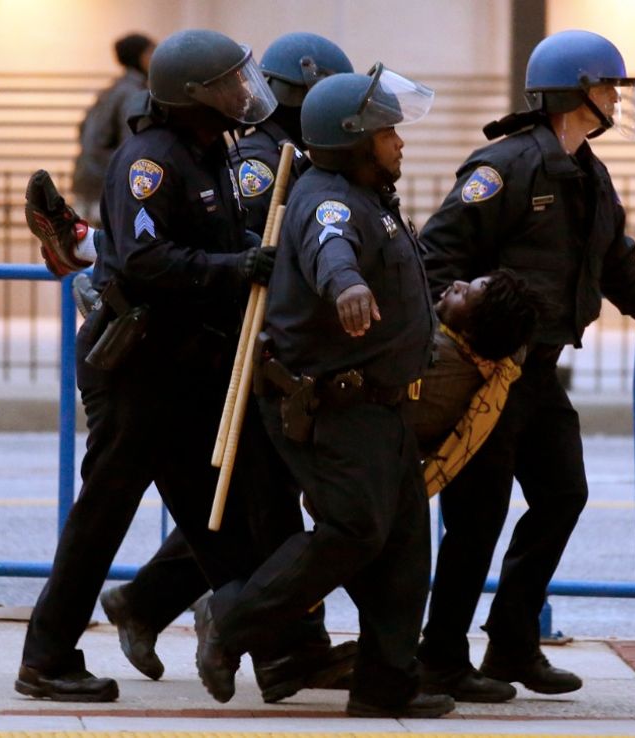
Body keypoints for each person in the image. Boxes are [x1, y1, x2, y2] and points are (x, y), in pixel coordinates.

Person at [24, 32, 359, 705]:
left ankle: (285, 654)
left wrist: (249, 252)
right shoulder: (150, 161)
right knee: (102, 517)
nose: (244, 95)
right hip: (138, 369)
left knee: (227, 519)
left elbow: (216, 238)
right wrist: (235, 267)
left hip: (187, 368)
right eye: (229, 85)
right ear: (191, 96)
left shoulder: (214, 153)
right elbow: (147, 262)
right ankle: (47, 659)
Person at [415, 29, 635, 700]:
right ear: (574, 91)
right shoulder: (503, 167)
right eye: (607, 87)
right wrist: (469, 331)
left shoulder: (587, 169)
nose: (616, 100)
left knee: (563, 495)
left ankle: (512, 644)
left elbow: (612, 257)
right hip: (491, 372)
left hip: (541, 373)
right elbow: (436, 254)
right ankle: (441, 656)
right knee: (476, 518)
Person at [193, 66, 456, 719]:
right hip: (331, 403)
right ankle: (229, 618)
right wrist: (346, 285)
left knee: (401, 544)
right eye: (387, 132)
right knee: (353, 529)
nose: (400, 142)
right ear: (353, 140)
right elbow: (329, 248)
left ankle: (385, 686)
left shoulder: (372, 195)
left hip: (381, 402)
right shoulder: (328, 200)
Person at [70, 33, 155, 225]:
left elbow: (83, 131)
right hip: (107, 186)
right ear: (139, 57)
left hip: (87, 180)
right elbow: (133, 145)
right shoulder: (134, 94)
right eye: (151, 53)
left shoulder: (111, 90)